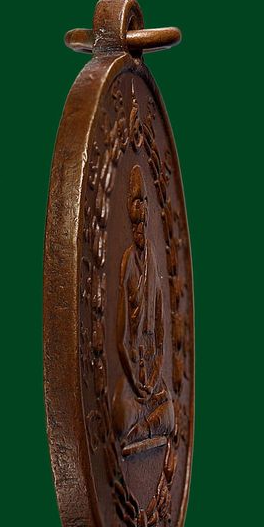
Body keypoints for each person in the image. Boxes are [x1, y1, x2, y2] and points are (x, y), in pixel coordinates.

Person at [112, 164, 175, 455]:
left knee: (170, 414)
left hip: (151, 375)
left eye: (147, 202)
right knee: (121, 416)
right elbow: (121, 340)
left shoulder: (153, 258)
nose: (144, 209)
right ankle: (143, 424)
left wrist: (152, 378)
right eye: (138, 202)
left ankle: (145, 427)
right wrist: (138, 386)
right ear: (129, 207)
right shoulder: (128, 263)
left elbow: (161, 336)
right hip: (132, 374)